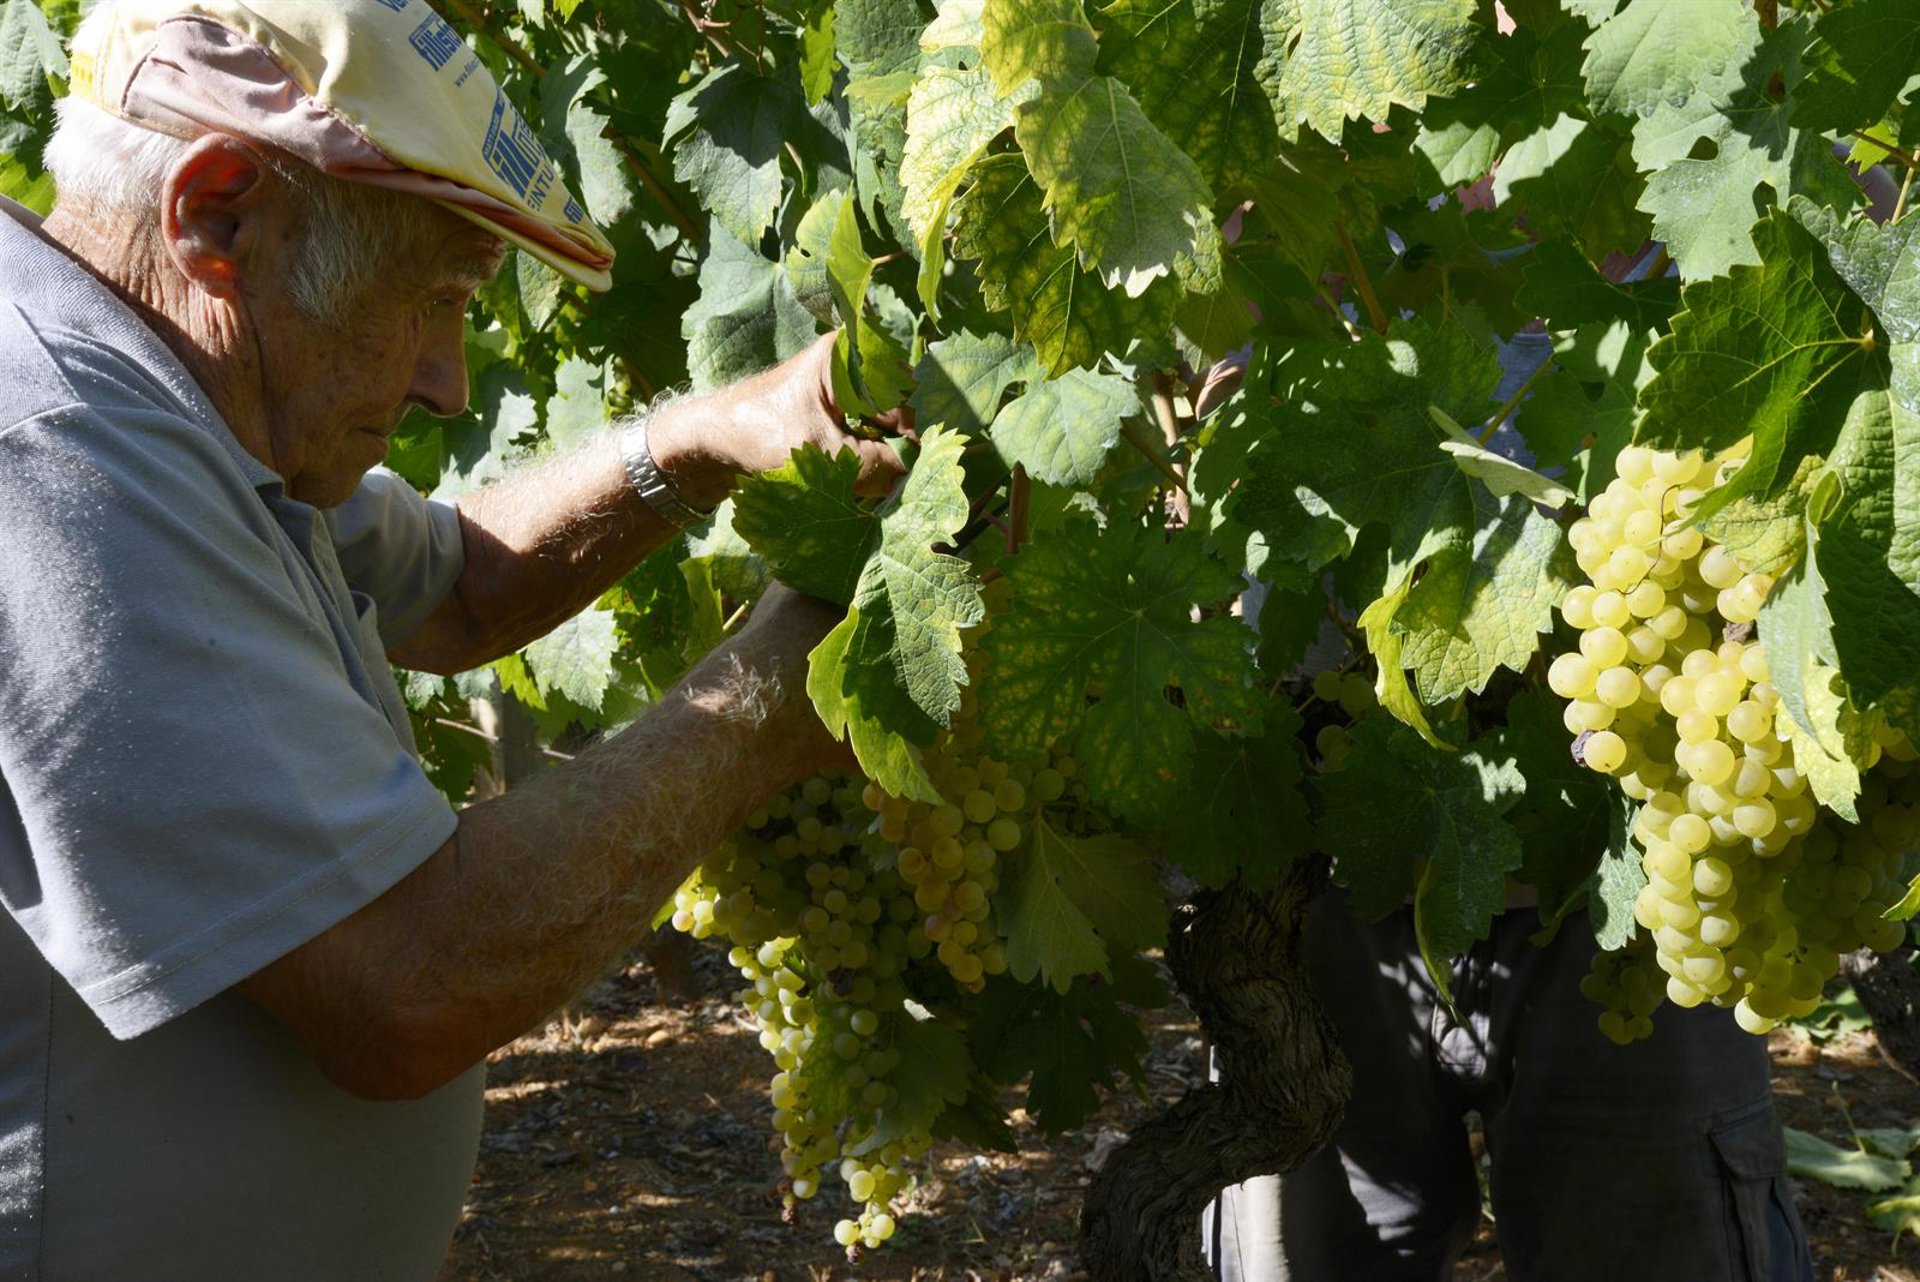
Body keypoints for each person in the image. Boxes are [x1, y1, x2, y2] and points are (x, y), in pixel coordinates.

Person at [0, 1, 902, 1277]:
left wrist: (717, 434)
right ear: (217, 215)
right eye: (428, 298)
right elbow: (406, 985)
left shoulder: (173, 402)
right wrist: (781, 689)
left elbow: (466, 586)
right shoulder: (50, 453)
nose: (448, 380)